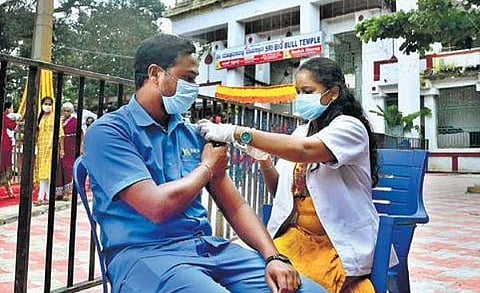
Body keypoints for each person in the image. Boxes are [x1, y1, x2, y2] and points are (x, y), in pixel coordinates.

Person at [82, 33, 326, 293]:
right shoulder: (109, 132)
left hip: (207, 249)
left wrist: (273, 257)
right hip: (144, 255)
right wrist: (207, 168)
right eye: (187, 78)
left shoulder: (192, 134)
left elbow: (235, 206)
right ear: (155, 74)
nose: (194, 86)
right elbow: (156, 207)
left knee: (308, 291)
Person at [199, 57, 398, 292]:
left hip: (335, 244)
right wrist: (264, 161)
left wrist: (236, 132)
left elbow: (304, 151)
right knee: (259, 277)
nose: (300, 98)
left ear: (333, 93)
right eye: (298, 91)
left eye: (307, 91)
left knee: (294, 286)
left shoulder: (350, 127)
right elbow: (282, 193)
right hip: (297, 237)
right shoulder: (301, 131)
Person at [34, 96, 64, 206]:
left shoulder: (55, 117)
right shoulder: (40, 117)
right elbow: (37, 132)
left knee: (49, 172)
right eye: (45, 104)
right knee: (43, 172)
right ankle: (45, 197)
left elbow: (61, 134)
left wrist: (61, 149)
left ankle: (43, 197)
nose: (47, 106)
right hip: (41, 148)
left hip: (52, 147)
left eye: (49, 104)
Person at [55, 102, 78, 201]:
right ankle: (59, 191)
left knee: (68, 169)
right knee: (59, 168)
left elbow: (81, 133)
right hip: (61, 145)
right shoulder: (60, 120)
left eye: (68, 111)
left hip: (71, 146)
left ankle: (68, 192)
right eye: (64, 110)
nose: (66, 112)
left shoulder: (75, 120)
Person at [1, 101, 17, 198]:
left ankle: (9, 190)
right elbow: (13, 126)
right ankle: (9, 190)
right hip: (5, 146)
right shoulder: (6, 118)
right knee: (5, 168)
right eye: (11, 108)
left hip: (5, 145)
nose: (12, 110)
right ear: (7, 109)